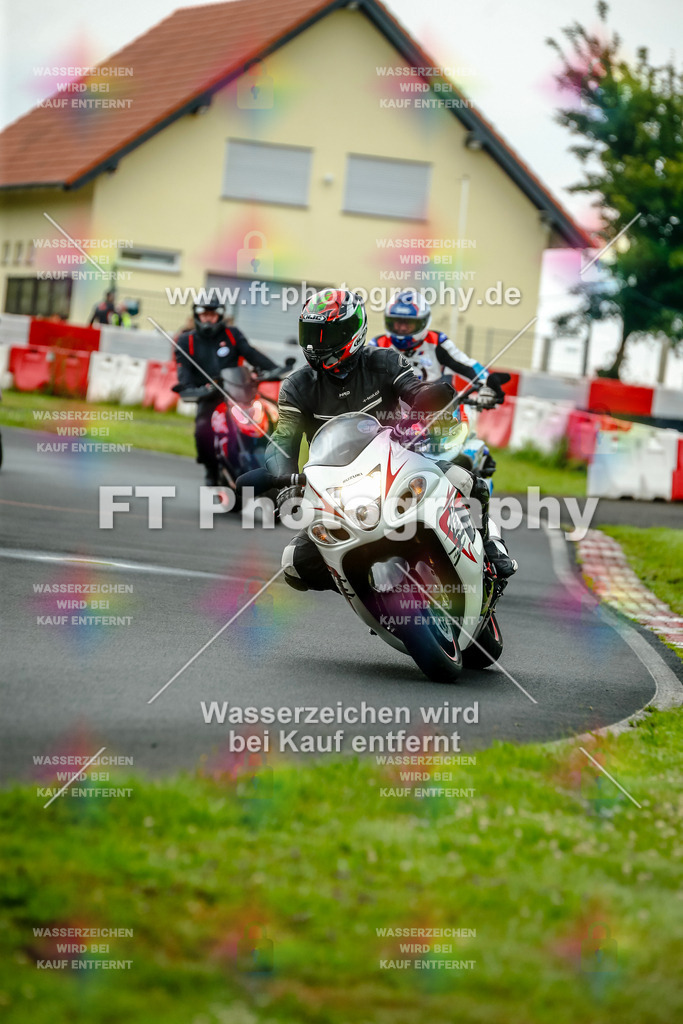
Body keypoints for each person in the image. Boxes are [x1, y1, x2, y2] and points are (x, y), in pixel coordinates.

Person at [262, 288, 517, 592]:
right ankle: (361, 589)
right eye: (312, 333)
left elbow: (414, 388)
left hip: (400, 460)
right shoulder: (296, 385)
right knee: (296, 564)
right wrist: (286, 482)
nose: (316, 345)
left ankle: (490, 546)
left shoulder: (382, 361)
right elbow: (283, 439)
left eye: (326, 335)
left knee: (466, 480)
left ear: (350, 332)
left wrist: (431, 398)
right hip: (335, 489)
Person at [174, 299, 277, 485]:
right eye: (204, 314)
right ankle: (211, 469)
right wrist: (189, 388)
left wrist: (273, 369)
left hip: (239, 393)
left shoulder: (232, 334)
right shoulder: (186, 340)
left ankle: (278, 461)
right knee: (202, 429)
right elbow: (184, 371)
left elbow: (251, 353)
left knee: (271, 414)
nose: (208, 319)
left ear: (219, 316)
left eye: (212, 315)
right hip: (209, 396)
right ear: (197, 316)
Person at [370, 289, 500, 393]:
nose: (402, 328)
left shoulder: (437, 341)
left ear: (423, 322)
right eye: (397, 322)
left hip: (436, 407)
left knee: (458, 419)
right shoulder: (376, 346)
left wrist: (486, 384)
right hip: (391, 409)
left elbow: (467, 365)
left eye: (409, 323)